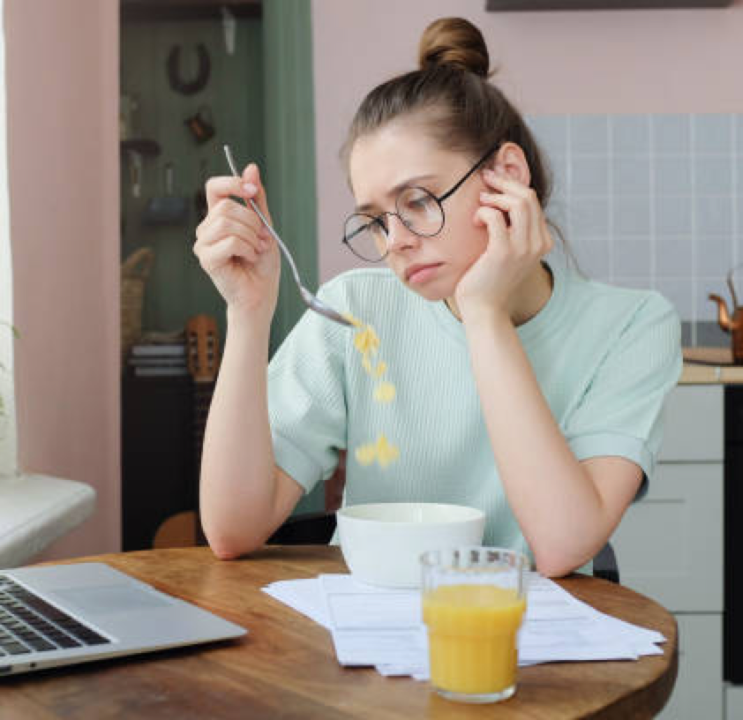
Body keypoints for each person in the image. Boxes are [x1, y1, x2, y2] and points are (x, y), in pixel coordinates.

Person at [192, 17, 681, 576]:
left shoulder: (633, 326)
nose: (396, 241)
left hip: (530, 647)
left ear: (508, 175)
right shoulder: (357, 309)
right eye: (374, 221)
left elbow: (563, 544)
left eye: (420, 201)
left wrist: (485, 314)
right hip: (365, 640)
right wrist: (248, 314)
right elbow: (231, 530)